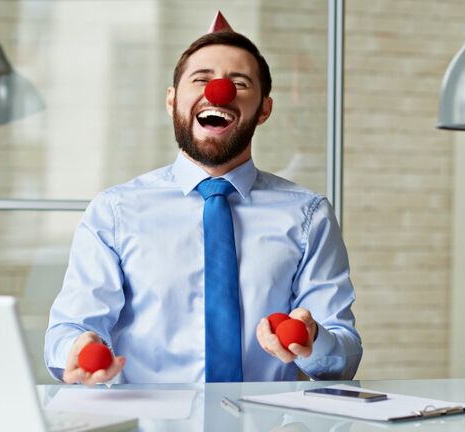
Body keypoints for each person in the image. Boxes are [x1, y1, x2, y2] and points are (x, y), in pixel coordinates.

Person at [44, 23, 362, 385]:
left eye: (240, 83)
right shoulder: (114, 211)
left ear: (263, 110)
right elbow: (69, 328)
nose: (219, 91)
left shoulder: (309, 215)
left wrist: (314, 339)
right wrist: (77, 346)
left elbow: (343, 357)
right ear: (171, 100)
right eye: (201, 78)